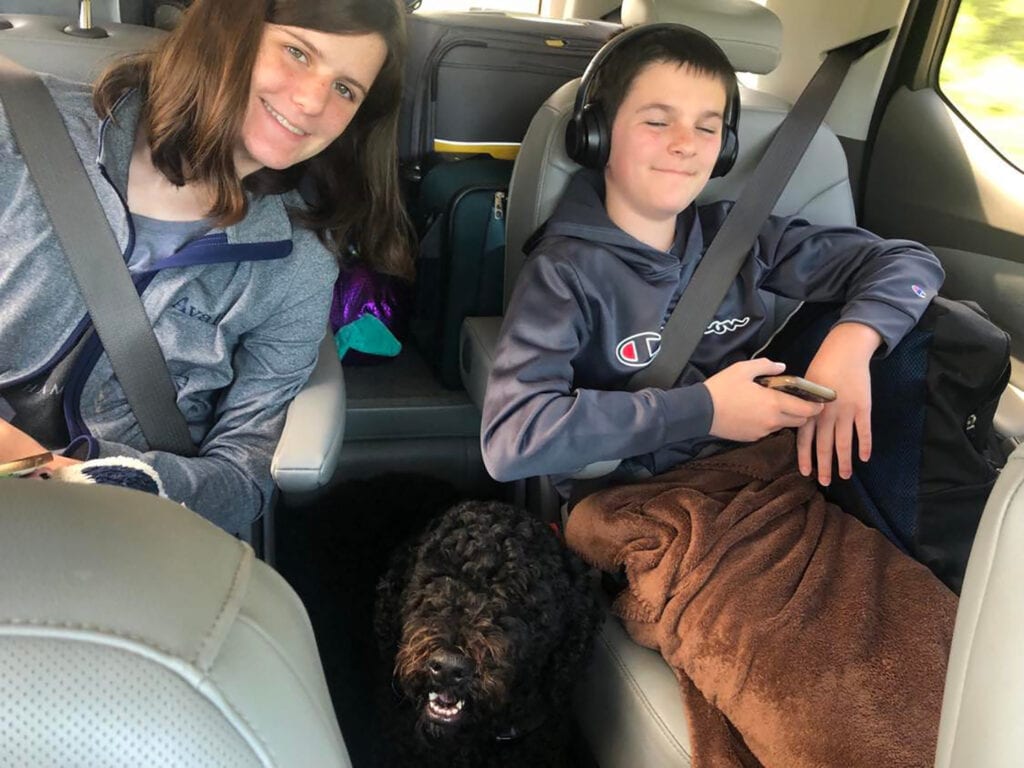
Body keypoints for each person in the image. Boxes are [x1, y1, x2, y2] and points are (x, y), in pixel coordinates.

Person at [480, 25, 945, 501]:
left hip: (757, 476)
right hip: (632, 495)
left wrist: (849, 345)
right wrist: (705, 410)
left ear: (724, 148)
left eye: (707, 127)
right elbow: (513, 440)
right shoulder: (563, 273)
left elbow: (909, 262)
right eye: (657, 122)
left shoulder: (742, 238)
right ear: (596, 135)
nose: (686, 143)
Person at [0, 0, 413, 533]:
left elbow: (243, 478)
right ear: (228, 30)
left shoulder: (296, 266)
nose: (312, 101)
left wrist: (116, 484)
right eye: (296, 51)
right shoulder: (16, 134)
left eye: (345, 89)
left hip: (126, 536)